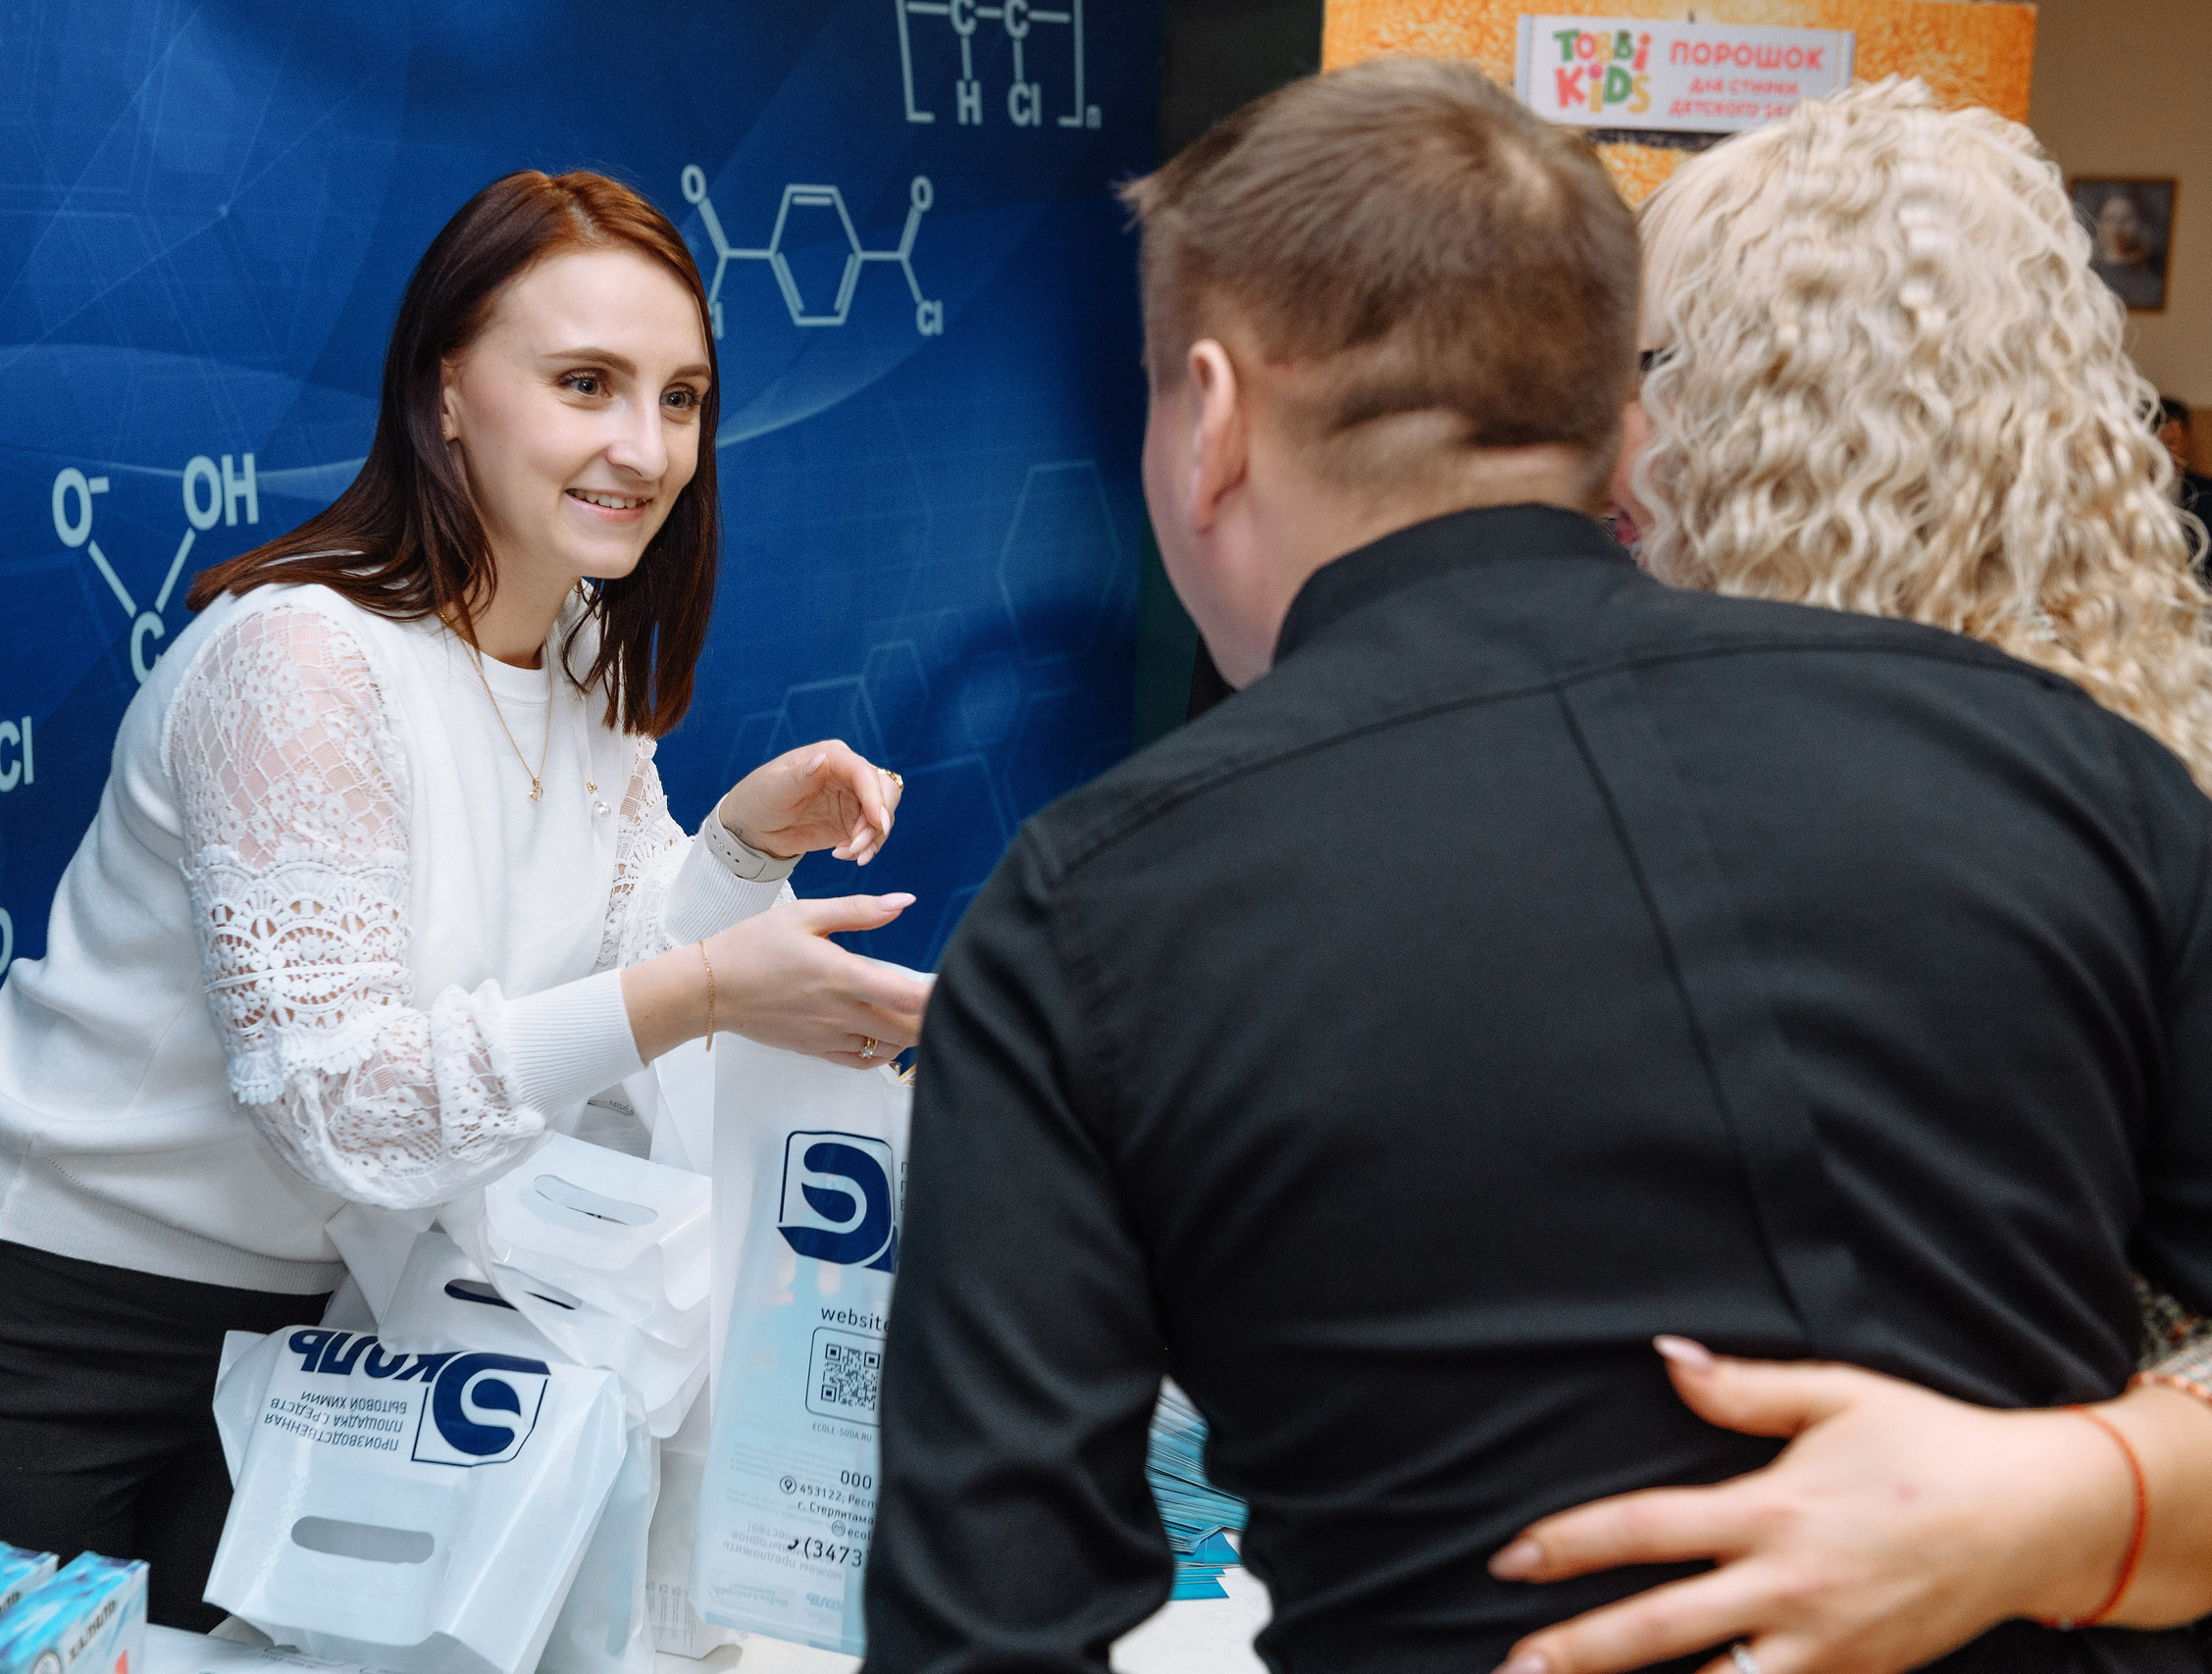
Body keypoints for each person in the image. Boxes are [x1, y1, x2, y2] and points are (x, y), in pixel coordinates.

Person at [862, 59, 2212, 1674]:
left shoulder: (1090, 915)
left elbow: (984, 1638)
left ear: (1211, 418)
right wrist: (2085, 1498)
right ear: (1620, 427)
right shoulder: (2065, 768)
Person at [0, 170, 930, 1629]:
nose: (644, 446)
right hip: (33, 1329)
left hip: (320, 1326)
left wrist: (730, 851)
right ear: (447, 388)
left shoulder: (581, 647)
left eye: (681, 398)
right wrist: (716, 984)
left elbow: (588, 979)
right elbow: (346, 1101)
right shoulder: (302, 662)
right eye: (586, 381)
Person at [1485, 81, 2212, 1674]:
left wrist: (2063, 1502)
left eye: (1646, 372)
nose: (1604, 435)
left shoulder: (2147, 817)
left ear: (1789, 418)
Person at [2153, 394, 2212, 527]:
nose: (2165, 454)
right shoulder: (2127, 492)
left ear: (2187, 439)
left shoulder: (2207, 491)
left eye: (2171, 443)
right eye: (2156, 445)